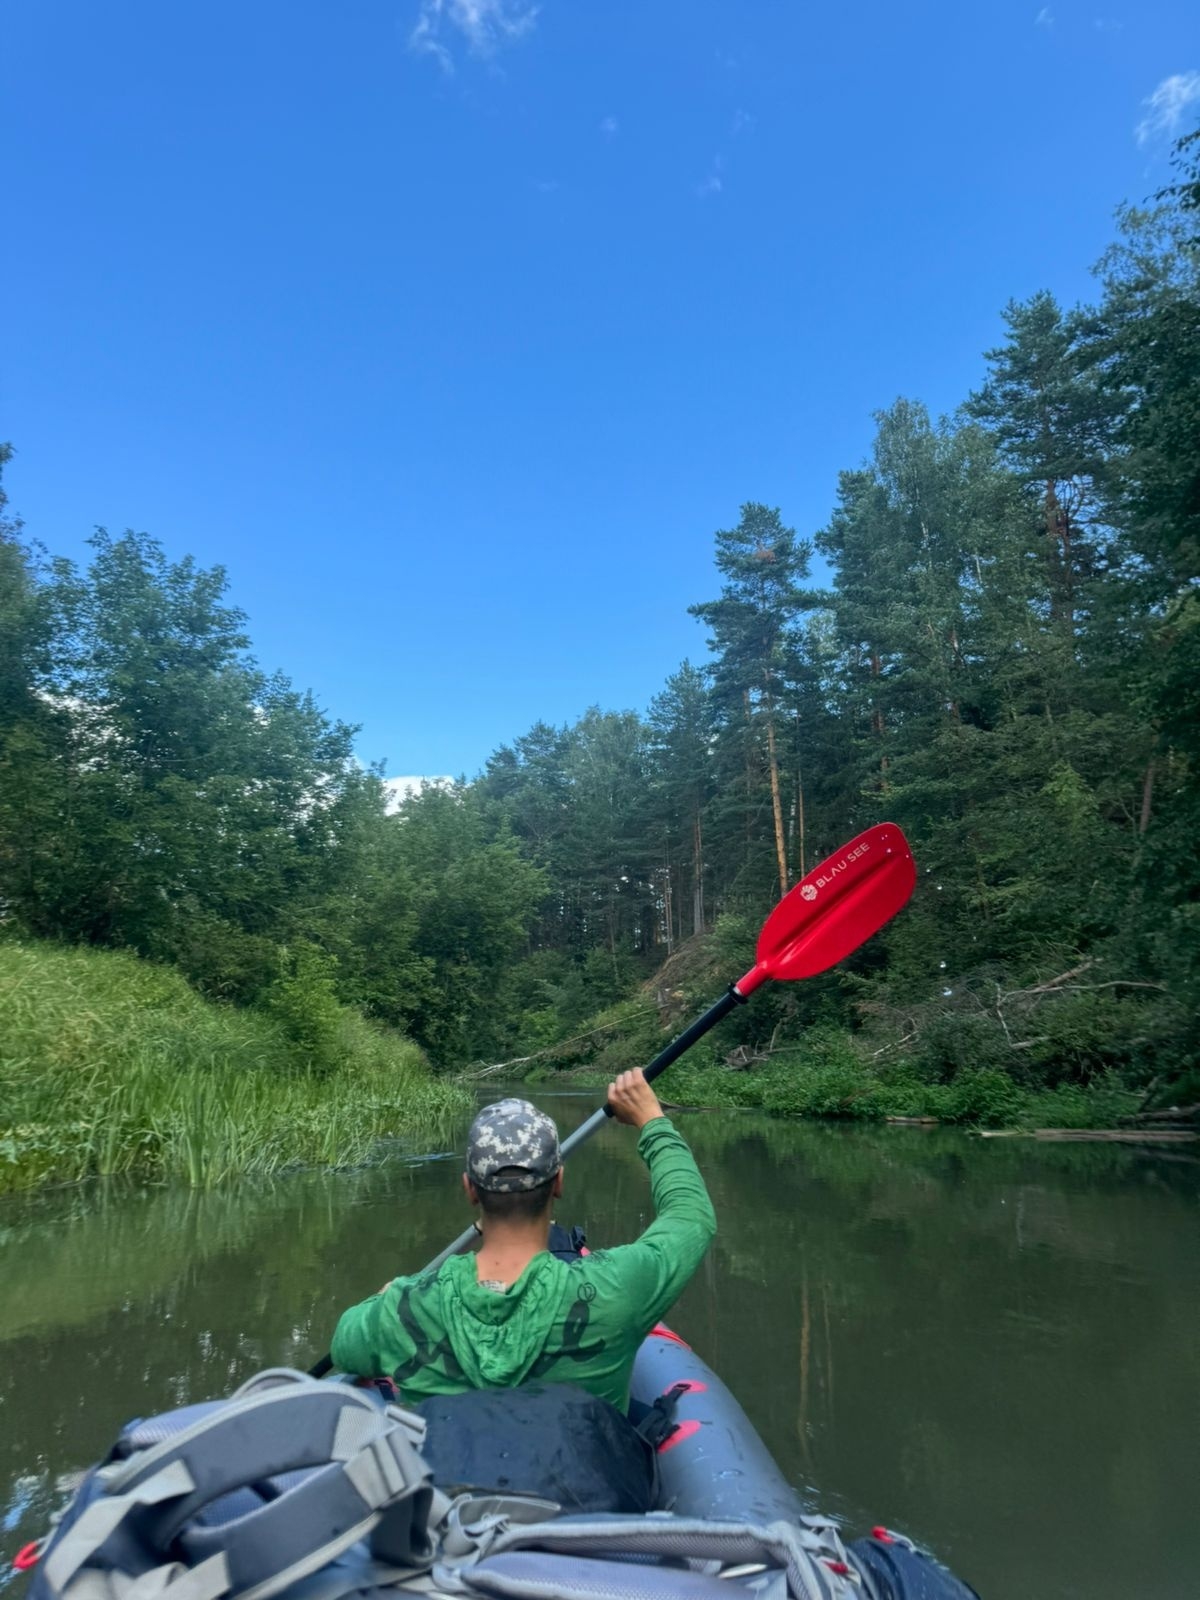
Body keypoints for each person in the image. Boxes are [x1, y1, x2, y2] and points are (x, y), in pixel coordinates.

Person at [330, 1068, 716, 1411]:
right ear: (559, 1183)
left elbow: (344, 1346)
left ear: (469, 1189)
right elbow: (690, 1216)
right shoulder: (617, 1288)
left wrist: (386, 1298)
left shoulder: (402, 1309)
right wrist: (652, 1120)